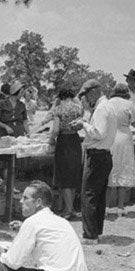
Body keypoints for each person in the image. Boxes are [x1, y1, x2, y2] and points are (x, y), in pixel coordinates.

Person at [77, 78, 116, 242]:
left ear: (93, 92)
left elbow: (98, 133)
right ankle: (96, 230)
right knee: (99, 196)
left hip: (96, 155)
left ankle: (89, 235)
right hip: (105, 154)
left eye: (86, 95)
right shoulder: (108, 106)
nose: (85, 100)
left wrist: (83, 124)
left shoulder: (101, 108)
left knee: (89, 194)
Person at [49, 84, 85, 218]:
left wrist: (51, 140)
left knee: (63, 177)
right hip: (75, 141)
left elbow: (56, 129)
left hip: (63, 142)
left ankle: (68, 210)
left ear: (61, 97)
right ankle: (71, 208)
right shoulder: (79, 108)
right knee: (73, 176)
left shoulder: (58, 109)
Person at [107, 81, 135, 216]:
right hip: (124, 137)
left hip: (110, 137)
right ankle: (120, 206)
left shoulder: (107, 103)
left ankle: (108, 206)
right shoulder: (129, 104)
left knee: (110, 169)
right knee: (123, 169)